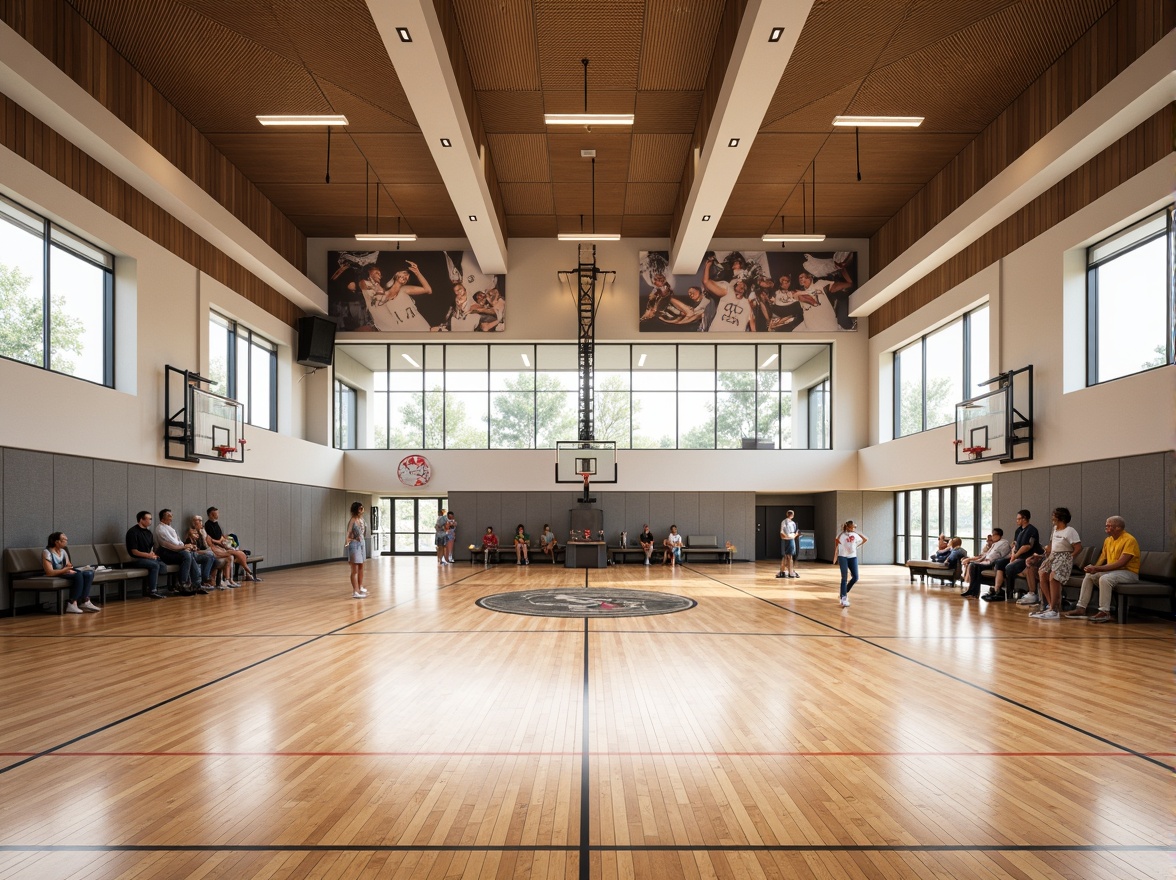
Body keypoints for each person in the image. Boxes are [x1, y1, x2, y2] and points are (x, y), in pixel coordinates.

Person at [1064, 515, 1141, 624]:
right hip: (1113, 572)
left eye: (1109, 526)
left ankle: (1105, 612)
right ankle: (1081, 608)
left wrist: (1097, 568)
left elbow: (1121, 563)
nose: (1106, 527)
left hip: (1129, 573)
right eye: (1106, 525)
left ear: (1118, 528)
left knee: (1105, 579)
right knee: (1090, 576)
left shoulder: (1129, 540)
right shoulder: (1108, 540)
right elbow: (1102, 558)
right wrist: (1092, 568)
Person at [1025, 508, 1081, 620]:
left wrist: (1070, 558)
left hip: (1064, 556)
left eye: (1054, 515)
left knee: (1053, 577)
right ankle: (1051, 606)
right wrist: (1041, 555)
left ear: (1061, 517)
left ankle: (1054, 609)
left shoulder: (1070, 531)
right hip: (1053, 556)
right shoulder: (1055, 529)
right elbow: (1051, 546)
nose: (1052, 518)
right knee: (1042, 572)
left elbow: (1078, 547)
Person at [982, 510, 1040, 602]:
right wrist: (1013, 555)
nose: (1017, 521)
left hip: (1025, 557)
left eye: (1019, 519)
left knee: (1009, 567)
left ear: (1024, 519)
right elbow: (1015, 545)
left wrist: (1016, 556)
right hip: (1017, 556)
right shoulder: (1018, 530)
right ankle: (998, 590)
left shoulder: (1032, 530)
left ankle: (1009, 594)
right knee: (999, 563)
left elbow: (1027, 546)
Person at [156, 508, 213, 594]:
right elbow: (172, 543)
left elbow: (178, 542)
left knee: (191, 554)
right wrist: (185, 547)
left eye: (171, 515)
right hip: (166, 553)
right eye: (169, 516)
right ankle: (183, 584)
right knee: (187, 555)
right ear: (162, 518)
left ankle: (196, 584)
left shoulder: (170, 528)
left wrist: (188, 547)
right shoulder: (160, 529)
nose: (171, 517)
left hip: (175, 551)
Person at [43, 532, 99, 613]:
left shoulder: (63, 551)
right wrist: (65, 570)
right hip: (56, 573)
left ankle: (85, 601)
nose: (66, 541)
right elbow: (49, 572)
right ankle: (72, 603)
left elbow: (69, 565)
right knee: (78, 575)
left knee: (89, 573)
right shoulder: (47, 552)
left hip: (64, 572)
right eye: (64, 539)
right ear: (57, 542)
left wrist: (70, 569)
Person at [204, 507, 258, 584]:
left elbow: (220, 535)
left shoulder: (216, 523)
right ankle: (244, 570)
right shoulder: (208, 525)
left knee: (240, 553)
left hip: (222, 545)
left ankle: (233, 577)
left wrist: (225, 540)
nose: (218, 515)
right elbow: (211, 539)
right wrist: (220, 543)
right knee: (234, 555)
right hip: (217, 547)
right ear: (211, 514)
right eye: (217, 513)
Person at [702, 256, 755, 331]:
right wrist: (707, 265)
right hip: (716, 333)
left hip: (735, 338)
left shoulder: (749, 298)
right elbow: (706, 282)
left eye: (736, 263)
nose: (734, 266)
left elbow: (752, 320)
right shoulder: (728, 288)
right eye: (733, 264)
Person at [126, 510, 169, 600]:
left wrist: (152, 554)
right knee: (154, 565)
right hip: (136, 559)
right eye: (149, 519)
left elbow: (150, 548)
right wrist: (148, 556)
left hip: (147, 557)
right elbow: (134, 552)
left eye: (151, 519)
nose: (150, 521)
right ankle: (152, 590)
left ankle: (149, 587)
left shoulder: (148, 533)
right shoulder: (133, 532)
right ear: (141, 520)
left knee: (163, 565)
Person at [960, 528, 1010, 597]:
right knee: (973, 565)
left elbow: (1004, 555)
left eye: (993, 535)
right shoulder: (994, 544)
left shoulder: (1004, 543)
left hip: (992, 563)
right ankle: (972, 591)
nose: (992, 537)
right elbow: (986, 554)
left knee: (974, 566)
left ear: (998, 535)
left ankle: (973, 591)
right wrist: (978, 560)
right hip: (986, 561)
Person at [186, 515, 230, 589]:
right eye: (198, 521)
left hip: (200, 551)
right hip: (194, 553)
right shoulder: (190, 534)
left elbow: (206, 544)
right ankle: (206, 579)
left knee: (215, 558)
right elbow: (193, 548)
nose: (200, 522)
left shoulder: (201, 533)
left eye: (201, 521)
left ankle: (216, 580)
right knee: (211, 554)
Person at [833, 520, 868, 607]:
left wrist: (857, 535)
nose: (854, 528)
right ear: (848, 527)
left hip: (852, 557)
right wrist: (835, 556)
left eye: (855, 527)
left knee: (855, 577)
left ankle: (844, 591)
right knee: (844, 577)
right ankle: (843, 598)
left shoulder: (855, 535)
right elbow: (836, 544)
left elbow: (865, 539)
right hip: (843, 557)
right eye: (853, 527)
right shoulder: (841, 535)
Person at [344, 502, 367, 598]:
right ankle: (355, 591)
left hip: (361, 544)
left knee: (361, 567)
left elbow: (363, 532)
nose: (362, 510)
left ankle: (360, 587)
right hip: (354, 545)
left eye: (362, 508)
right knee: (355, 570)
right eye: (360, 508)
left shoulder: (361, 520)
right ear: (356, 509)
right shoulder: (352, 520)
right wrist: (349, 541)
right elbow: (348, 533)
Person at [776, 510, 799, 578]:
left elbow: (782, 532)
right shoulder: (790, 523)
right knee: (789, 556)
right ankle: (790, 572)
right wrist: (791, 536)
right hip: (789, 539)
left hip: (789, 539)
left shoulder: (788, 522)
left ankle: (783, 570)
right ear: (792, 515)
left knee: (786, 556)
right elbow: (782, 532)